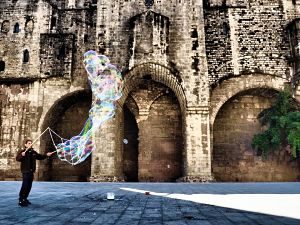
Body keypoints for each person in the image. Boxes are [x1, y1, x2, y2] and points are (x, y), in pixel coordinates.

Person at [16, 139, 54, 207]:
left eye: (31, 143)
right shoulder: (22, 151)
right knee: (25, 186)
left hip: (31, 171)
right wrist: (22, 155)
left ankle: (25, 198)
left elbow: (40, 157)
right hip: (25, 171)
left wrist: (46, 155)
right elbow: (18, 159)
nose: (30, 144)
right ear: (25, 144)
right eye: (29, 143)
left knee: (29, 186)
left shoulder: (33, 152)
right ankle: (21, 199)